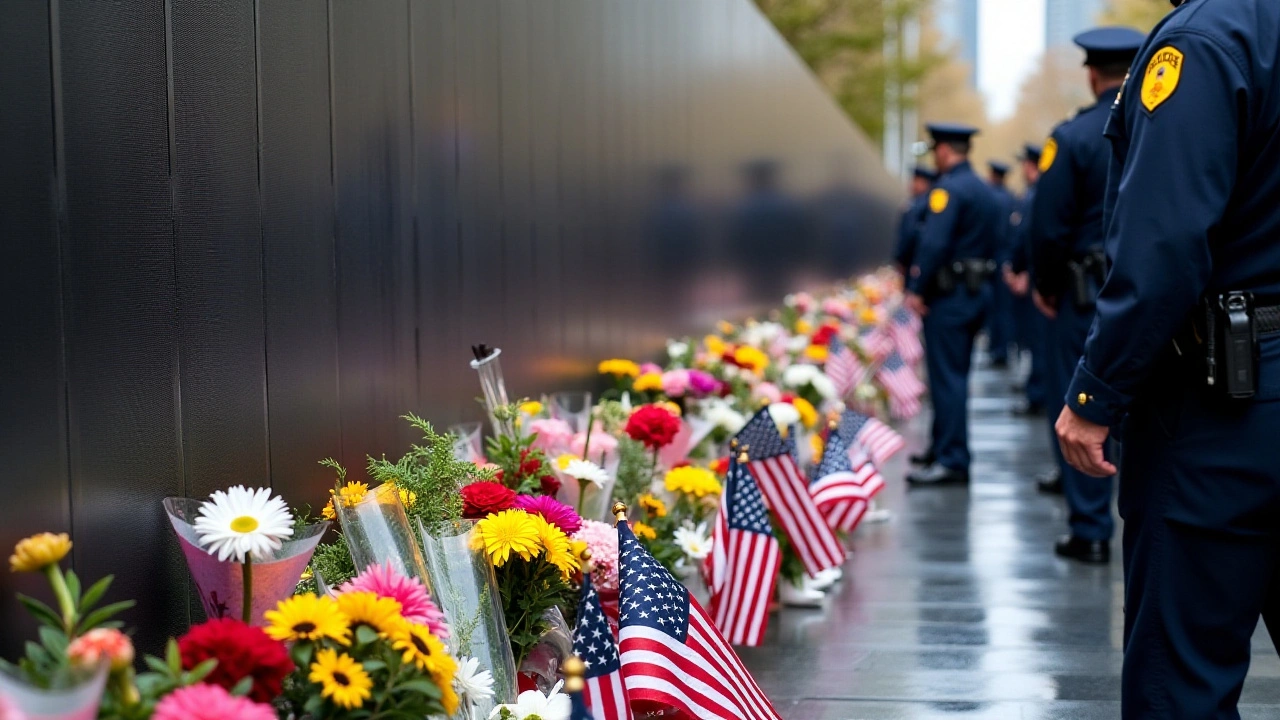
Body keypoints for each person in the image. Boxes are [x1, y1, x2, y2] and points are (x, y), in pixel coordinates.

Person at [1052, 0, 1280, 716]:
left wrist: (1095, 394)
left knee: (1182, 680)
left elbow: (1163, 248)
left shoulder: (1204, 38)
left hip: (1224, 404)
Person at [1027, 26, 1145, 563]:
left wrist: (1046, 286)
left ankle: (1091, 528)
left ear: (1093, 72)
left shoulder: (1072, 137)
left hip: (1081, 293)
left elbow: (1048, 226)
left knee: (1080, 400)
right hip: (1147, 290)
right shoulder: (1154, 122)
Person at [905, 123, 1002, 486]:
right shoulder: (983, 189)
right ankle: (942, 447)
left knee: (947, 379)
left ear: (945, 150)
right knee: (954, 375)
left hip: (950, 295)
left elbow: (933, 244)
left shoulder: (947, 190)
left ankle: (952, 457)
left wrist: (916, 287)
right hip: (977, 292)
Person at [985, 161, 1017, 369]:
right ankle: (1002, 348)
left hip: (993, 256)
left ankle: (997, 348)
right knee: (1005, 308)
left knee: (995, 307)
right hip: (1007, 256)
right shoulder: (1011, 198)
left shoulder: (990, 197)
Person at [893, 166, 937, 274]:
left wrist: (901, 259)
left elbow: (909, 232)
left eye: (916, 181)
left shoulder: (919, 205)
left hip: (913, 261)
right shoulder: (923, 202)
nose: (912, 184)